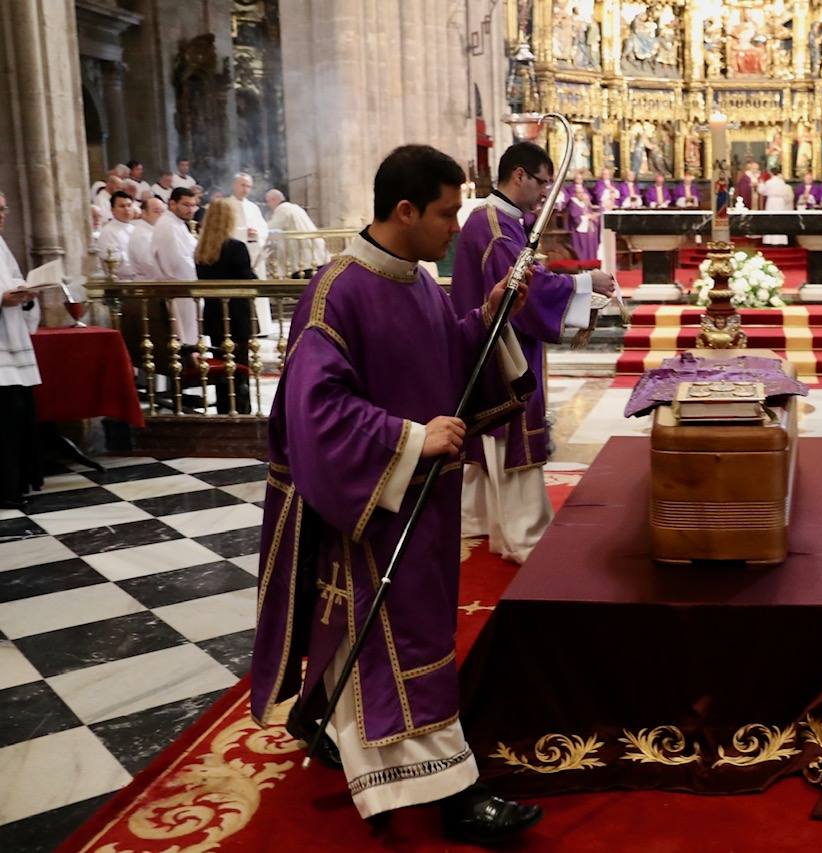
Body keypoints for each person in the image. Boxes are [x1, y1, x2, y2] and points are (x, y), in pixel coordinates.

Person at [250, 143, 542, 844]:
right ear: (404, 210)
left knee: (414, 632)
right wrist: (411, 439)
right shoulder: (336, 292)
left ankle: (320, 712)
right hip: (376, 510)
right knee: (400, 642)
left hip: (424, 501)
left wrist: (492, 314)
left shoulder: (414, 280)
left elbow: (448, 356)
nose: (456, 227)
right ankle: (455, 792)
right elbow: (314, 414)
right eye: (445, 212)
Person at [451, 141, 614, 564]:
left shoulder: (496, 220)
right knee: (511, 431)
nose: (547, 192)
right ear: (519, 175)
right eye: (542, 182)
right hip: (503, 348)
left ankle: (480, 518)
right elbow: (523, 287)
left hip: (489, 344)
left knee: (488, 434)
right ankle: (523, 536)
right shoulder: (493, 224)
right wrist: (585, 283)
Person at [194, 198, 256, 413]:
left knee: (222, 365)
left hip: (213, 314)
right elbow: (247, 282)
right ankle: (241, 409)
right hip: (236, 315)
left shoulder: (201, 251)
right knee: (239, 366)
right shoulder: (236, 248)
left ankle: (224, 407)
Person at [0, 189, 42, 509]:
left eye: (5, 208)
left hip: (10, 339)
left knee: (18, 413)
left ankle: (17, 484)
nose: (3, 215)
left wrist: (25, 295)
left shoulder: (1, 244)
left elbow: (12, 278)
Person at [149, 186, 200, 344]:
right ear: (172, 204)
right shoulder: (168, 226)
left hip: (186, 287)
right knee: (185, 337)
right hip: (179, 287)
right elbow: (175, 261)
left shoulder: (177, 223)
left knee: (191, 333)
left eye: (193, 205)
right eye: (186, 205)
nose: (190, 209)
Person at [229, 173, 273, 332]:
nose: (246, 189)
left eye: (248, 186)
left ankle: (262, 326)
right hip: (235, 256)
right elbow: (225, 230)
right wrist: (243, 233)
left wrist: (257, 234)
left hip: (255, 253)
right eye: (242, 185)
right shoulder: (226, 205)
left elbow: (263, 228)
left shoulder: (253, 207)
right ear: (234, 185)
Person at [265, 188, 327, 277]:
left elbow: (270, 229)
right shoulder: (295, 207)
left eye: (268, 202)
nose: (268, 205)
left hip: (305, 260)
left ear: (274, 199)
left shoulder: (282, 209)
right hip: (316, 255)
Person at [96, 191, 135, 277]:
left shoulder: (134, 228)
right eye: (122, 206)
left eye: (129, 205)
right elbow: (114, 264)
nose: (127, 209)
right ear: (112, 210)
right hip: (122, 282)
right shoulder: (108, 232)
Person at [127, 197, 166, 280]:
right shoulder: (142, 235)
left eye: (162, 211)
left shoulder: (154, 229)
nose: (161, 215)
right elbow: (149, 265)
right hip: (149, 284)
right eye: (156, 211)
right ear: (144, 213)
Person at [567, 184, 600, 261]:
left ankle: (592, 263)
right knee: (582, 249)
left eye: (582, 192)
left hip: (589, 228)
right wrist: (588, 217)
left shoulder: (584, 202)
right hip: (579, 230)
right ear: (575, 194)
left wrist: (593, 216)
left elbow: (590, 212)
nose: (582, 194)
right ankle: (583, 264)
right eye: (579, 193)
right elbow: (575, 218)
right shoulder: (573, 203)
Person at [760, 171, 793, 245]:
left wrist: (761, 183)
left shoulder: (769, 182)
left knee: (770, 219)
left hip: (771, 201)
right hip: (780, 201)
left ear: (771, 173)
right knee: (780, 219)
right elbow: (785, 191)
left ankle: (769, 240)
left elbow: (762, 191)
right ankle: (781, 240)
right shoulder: (782, 182)